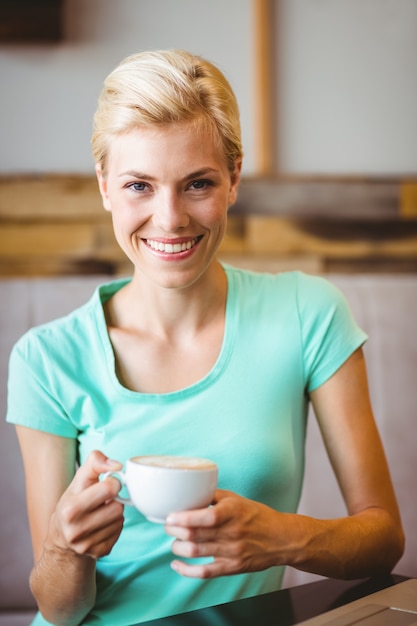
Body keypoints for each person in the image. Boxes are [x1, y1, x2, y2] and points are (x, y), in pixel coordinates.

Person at [6, 49, 404, 626]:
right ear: (104, 186)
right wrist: (66, 549)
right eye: (139, 184)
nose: (169, 219)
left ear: (234, 178)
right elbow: (57, 607)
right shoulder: (46, 358)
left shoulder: (307, 313)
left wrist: (284, 538)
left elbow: (384, 537)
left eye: (197, 184)